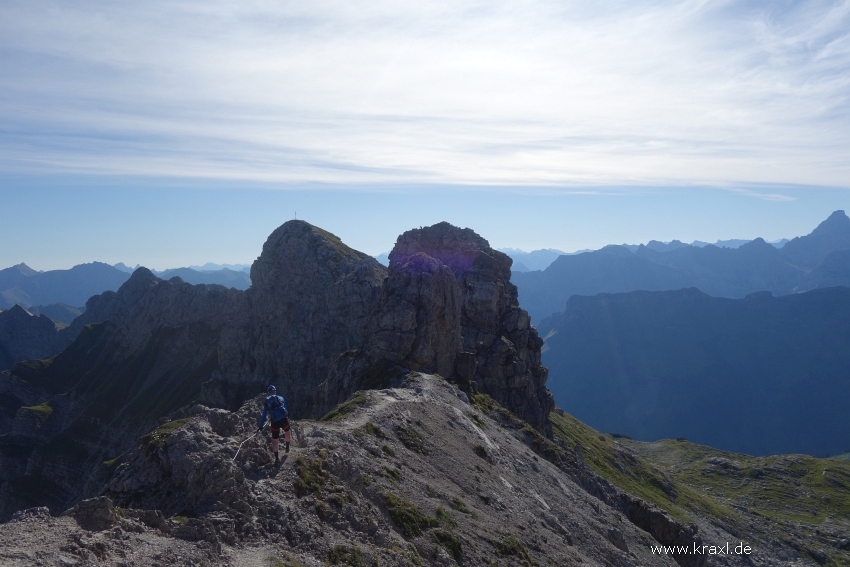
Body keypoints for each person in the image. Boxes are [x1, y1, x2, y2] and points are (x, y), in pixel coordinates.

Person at [258, 385, 290, 464]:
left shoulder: (267, 401)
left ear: (268, 393)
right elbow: (285, 409)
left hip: (274, 421)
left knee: (275, 440)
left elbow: (264, 415)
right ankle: (287, 446)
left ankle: (276, 459)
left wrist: (261, 426)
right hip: (283, 419)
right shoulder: (281, 398)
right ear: (275, 391)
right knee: (287, 431)